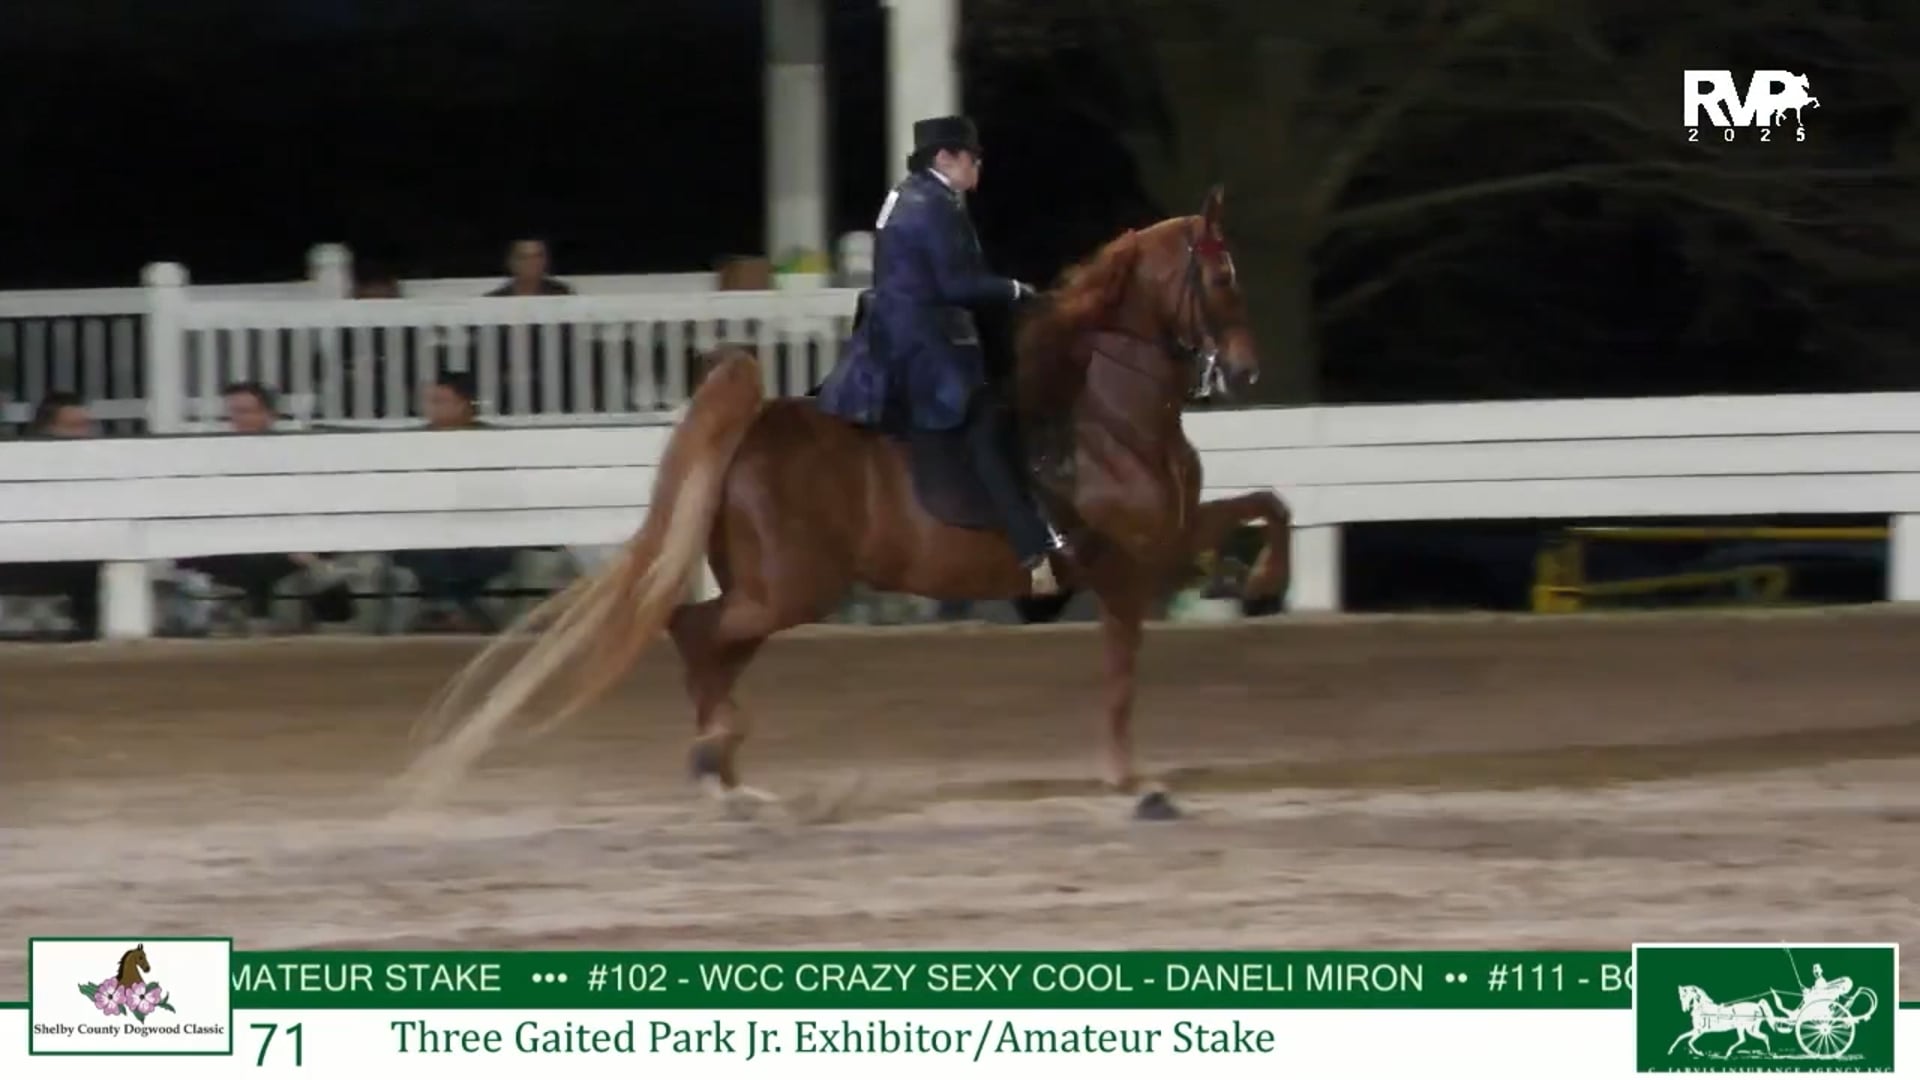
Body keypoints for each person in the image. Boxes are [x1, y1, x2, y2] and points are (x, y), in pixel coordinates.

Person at [816, 114, 1071, 595]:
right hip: (925, 345)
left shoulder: (909, 195)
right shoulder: (932, 205)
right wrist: (1017, 290)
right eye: (972, 158)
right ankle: (1033, 549)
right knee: (985, 429)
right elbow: (954, 284)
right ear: (945, 158)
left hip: (901, 334)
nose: (978, 167)